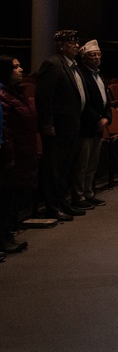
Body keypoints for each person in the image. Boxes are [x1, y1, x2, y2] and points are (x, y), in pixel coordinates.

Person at [34, 29, 87, 220]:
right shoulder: (53, 64)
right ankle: (53, 207)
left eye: (77, 42)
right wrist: (47, 124)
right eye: (72, 43)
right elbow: (44, 98)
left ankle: (64, 202)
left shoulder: (74, 66)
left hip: (72, 125)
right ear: (61, 46)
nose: (76, 46)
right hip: (58, 127)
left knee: (66, 167)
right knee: (54, 169)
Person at [0, 55, 36, 256]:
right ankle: (3, 238)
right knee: (6, 198)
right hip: (11, 156)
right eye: (15, 67)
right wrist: (9, 156)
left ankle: (8, 236)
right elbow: (4, 130)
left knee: (13, 197)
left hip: (22, 152)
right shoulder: (3, 96)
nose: (21, 69)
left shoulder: (18, 92)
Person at [73, 40, 111, 208]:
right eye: (92, 55)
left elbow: (107, 100)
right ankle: (79, 196)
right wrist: (97, 119)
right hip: (86, 126)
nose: (96, 58)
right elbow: (83, 102)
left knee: (92, 164)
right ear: (84, 57)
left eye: (98, 54)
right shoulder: (81, 75)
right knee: (82, 164)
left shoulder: (99, 75)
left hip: (98, 127)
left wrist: (107, 117)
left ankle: (89, 192)